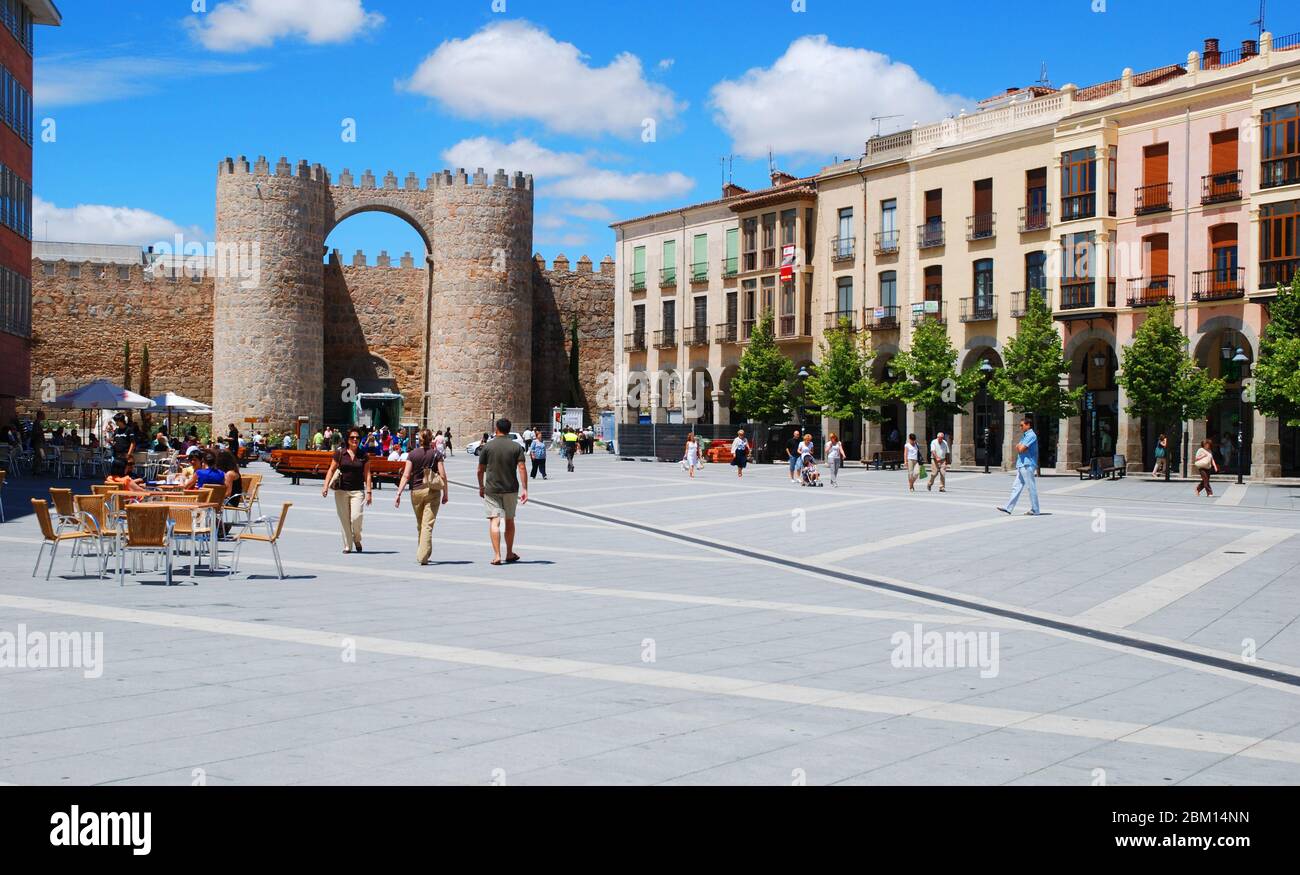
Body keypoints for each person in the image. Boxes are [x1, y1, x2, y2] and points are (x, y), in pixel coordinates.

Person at [477, 418, 528, 566]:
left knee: (495, 520)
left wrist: (481, 486)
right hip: (511, 488)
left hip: (492, 489)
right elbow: (522, 468)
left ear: (496, 429)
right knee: (510, 520)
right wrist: (525, 488)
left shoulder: (487, 447)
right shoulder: (516, 447)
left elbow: (480, 470)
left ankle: (497, 555)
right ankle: (509, 552)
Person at [395, 429, 449, 566]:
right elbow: (442, 475)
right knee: (427, 525)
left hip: (416, 491)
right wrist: (446, 493)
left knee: (421, 524)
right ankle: (423, 555)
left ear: (419, 439)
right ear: (431, 439)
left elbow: (406, 475)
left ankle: (424, 551)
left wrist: (399, 493)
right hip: (432, 491)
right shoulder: (436, 454)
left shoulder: (412, 454)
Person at [321, 429, 373, 554]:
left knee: (356, 517)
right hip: (341, 490)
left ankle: (357, 538)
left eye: (357, 437)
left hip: (357, 491)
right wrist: (325, 486)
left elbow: (367, 474)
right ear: (347, 439)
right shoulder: (340, 454)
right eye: (352, 437)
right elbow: (331, 470)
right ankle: (347, 545)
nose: (355, 440)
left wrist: (369, 492)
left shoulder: (363, 455)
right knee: (344, 519)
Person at [998, 417, 1041, 516]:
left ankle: (1035, 509)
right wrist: (1020, 446)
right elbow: (1019, 447)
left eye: (1022, 425)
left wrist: (1020, 446)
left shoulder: (1031, 435)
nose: (1020, 427)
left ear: (1028, 425)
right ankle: (1008, 507)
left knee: (1031, 487)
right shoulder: (1025, 435)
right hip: (1022, 464)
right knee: (1016, 487)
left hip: (1028, 464)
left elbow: (1020, 448)